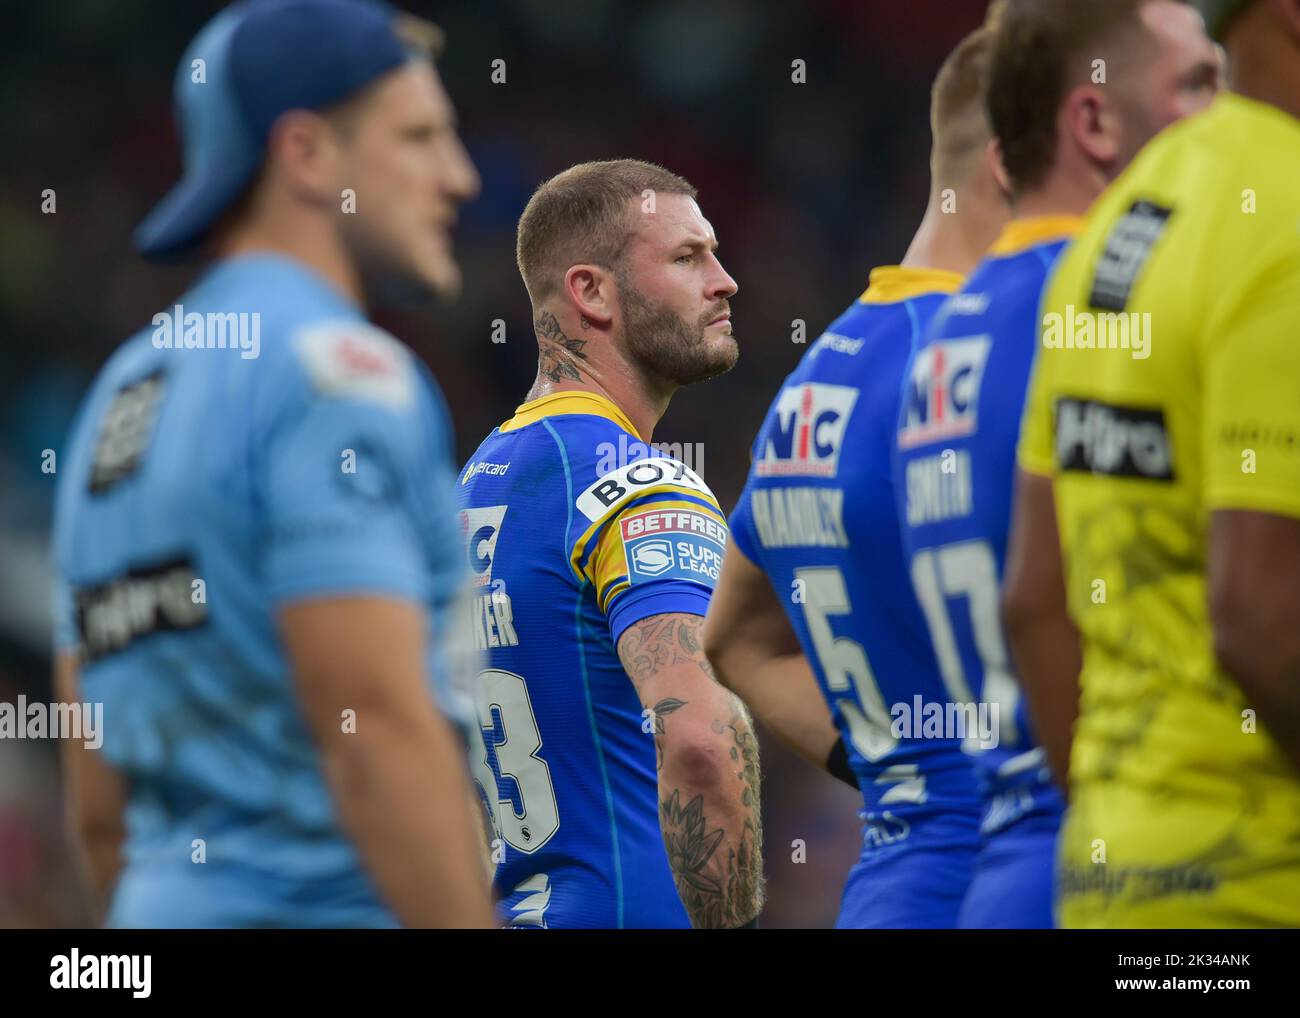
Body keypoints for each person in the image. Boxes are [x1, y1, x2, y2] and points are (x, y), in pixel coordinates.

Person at [52, 0, 492, 928]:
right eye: (417, 138)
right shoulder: (339, 375)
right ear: (307, 156)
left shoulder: (111, 403)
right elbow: (372, 729)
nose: (458, 178)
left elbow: (99, 811)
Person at [893, 0, 1219, 928]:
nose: (1224, 115)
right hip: (1115, 859)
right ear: (1094, 121)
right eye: (1197, 84)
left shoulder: (941, 338)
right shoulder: (1098, 312)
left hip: (1003, 859)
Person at [703, 28, 1006, 928]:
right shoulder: (994, 354)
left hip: (893, 888)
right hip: (1018, 881)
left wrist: (890, 764)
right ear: (1012, 160)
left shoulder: (815, 377)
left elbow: (734, 639)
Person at [1006, 0, 1300, 927]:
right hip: (1259, 883)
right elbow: (1261, 617)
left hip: (1117, 884)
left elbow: (1036, 598)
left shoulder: (1117, 224)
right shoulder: (1285, 214)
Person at [458, 159, 763, 928]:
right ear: (590, 292)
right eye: (687, 257)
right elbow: (699, 746)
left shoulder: (471, 488)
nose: (724, 281)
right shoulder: (641, 483)